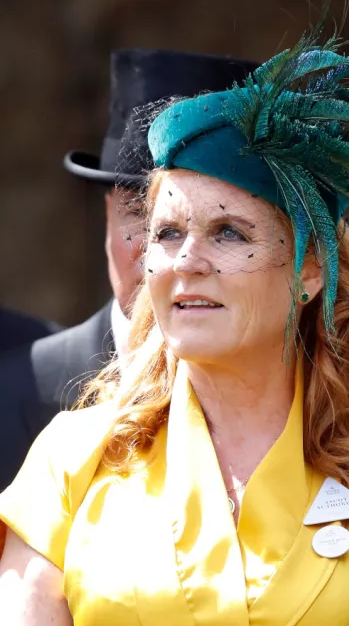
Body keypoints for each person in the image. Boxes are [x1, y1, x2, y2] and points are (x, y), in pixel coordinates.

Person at [0, 21, 349, 626]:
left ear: (310, 269)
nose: (186, 262)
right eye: (167, 233)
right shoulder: (73, 457)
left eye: (229, 233)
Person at [0, 49, 259, 488]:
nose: (174, 254)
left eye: (223, 228)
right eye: (141, 212)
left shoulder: (339, 410)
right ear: (107, 214)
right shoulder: (12, 395)